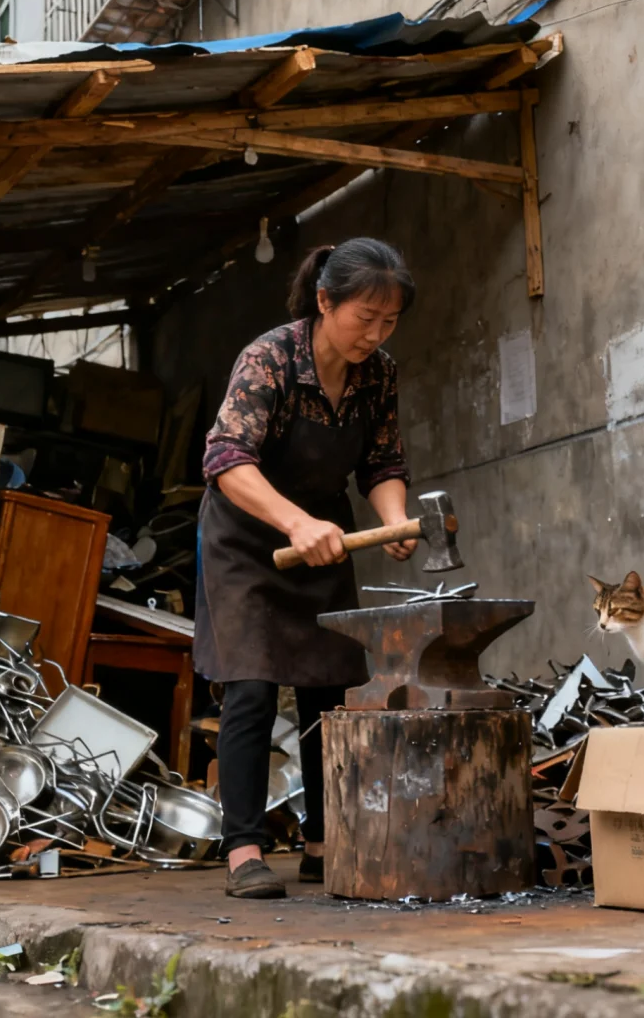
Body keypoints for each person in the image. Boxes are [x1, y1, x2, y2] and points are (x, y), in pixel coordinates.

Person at [195, 238, 418, 899]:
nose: (375, 334)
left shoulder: (379, 373)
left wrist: (393, 521)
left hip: (326, 536)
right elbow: (227, 458)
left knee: (330, 688)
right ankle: (243, 850)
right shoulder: (269, 359)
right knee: (253, 686)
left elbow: (381, 463)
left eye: (389, 322)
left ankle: (323, 843)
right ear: (325, 302)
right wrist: (294, 523)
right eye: (364, 318)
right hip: (247, 538)